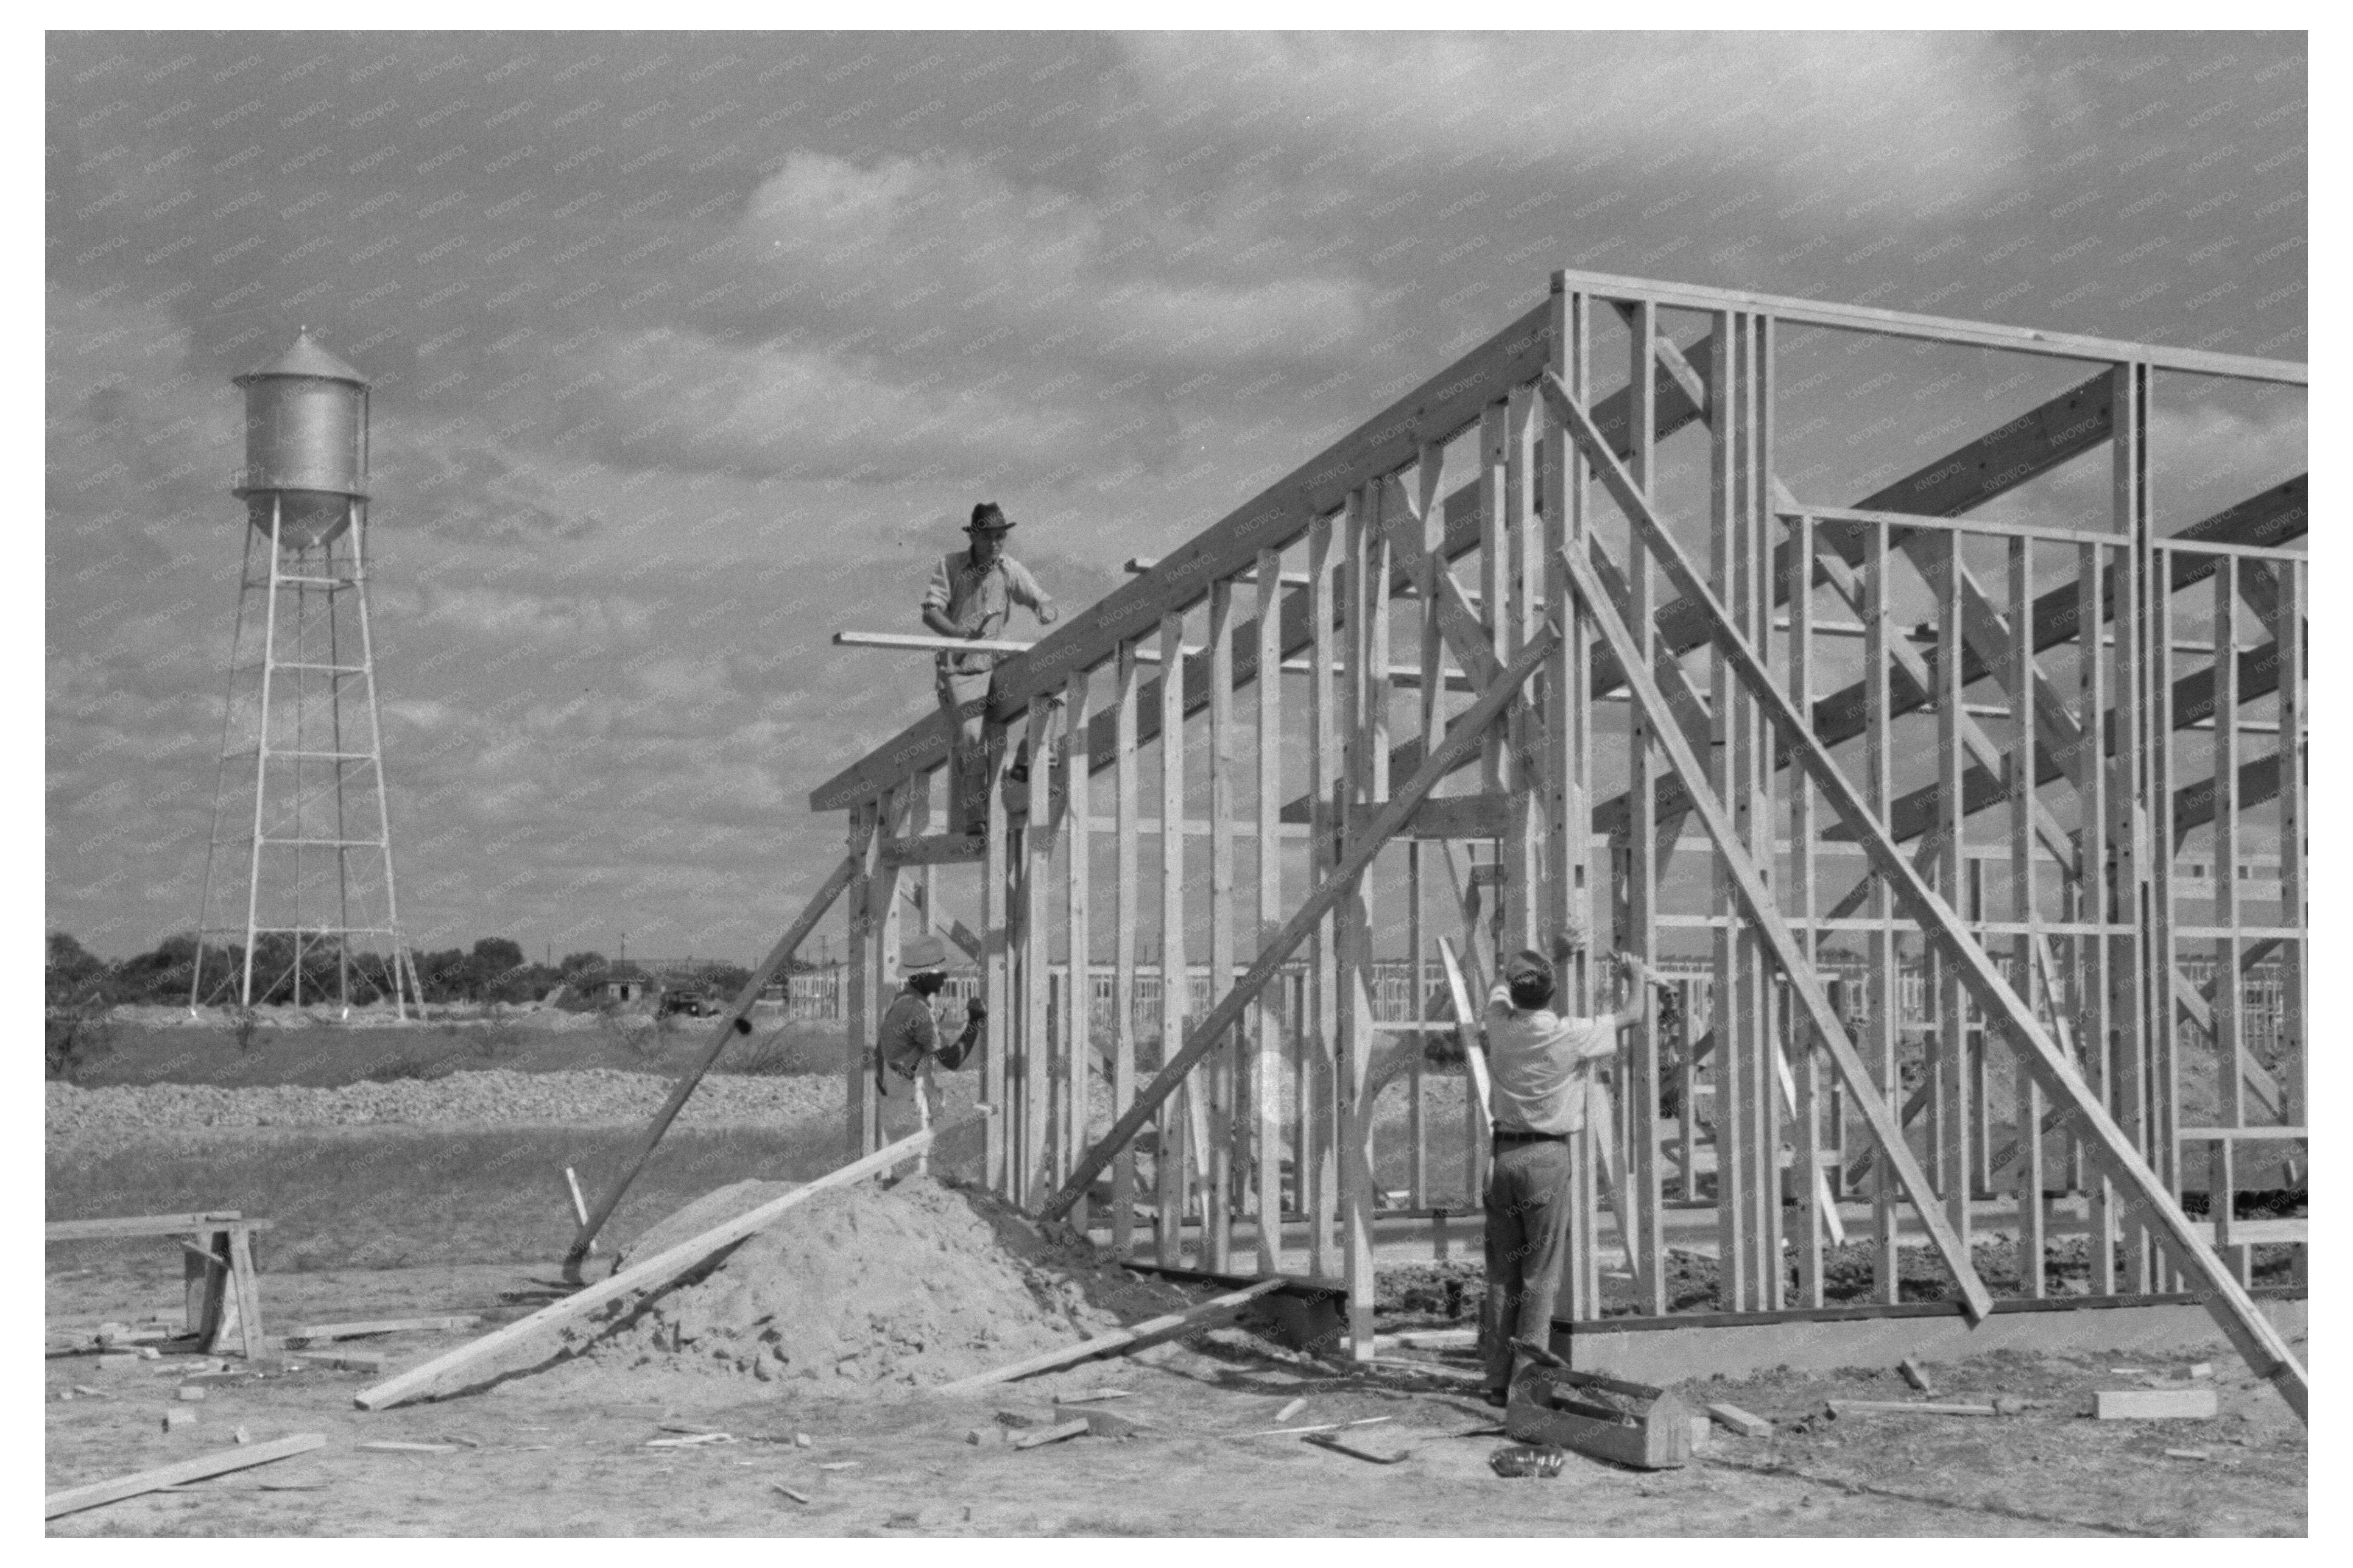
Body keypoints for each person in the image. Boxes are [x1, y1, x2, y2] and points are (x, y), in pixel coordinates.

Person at [1478, 926, 1665, 1407]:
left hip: (1501, 1155)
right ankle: (1526, 1383)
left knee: (1503, 1272)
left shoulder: (1499, 1023)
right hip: (1545, 1157)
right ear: (1553, 993)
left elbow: (1503, 981)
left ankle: (1496, 1380)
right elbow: (1633, 1014)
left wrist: (1549, 954)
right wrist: (1636, 975)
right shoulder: (1570, 1034)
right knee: (1540, 1274)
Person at [922, 502, 1057, 835]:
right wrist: (957, 633)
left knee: (1054, 683)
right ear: (975, 536)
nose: (995, 544)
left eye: (1001, 537)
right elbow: (930, 611)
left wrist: (1045, 609)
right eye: (989, 538)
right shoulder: (951, 565)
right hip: (962, 668)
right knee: (972, 739)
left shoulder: (1007, 568)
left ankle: (1028, 762)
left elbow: (1039, 596)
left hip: (996, 661)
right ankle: (976, 818)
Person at [873, 933, 985, 1174]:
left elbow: (880, 1050)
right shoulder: (918, 1011)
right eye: (939, 972)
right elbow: (953, 1061)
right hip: (909, 1105)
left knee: (904, 1176)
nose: (945, 976)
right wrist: (975, 1023)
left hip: (898, 1100)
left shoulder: (901, 1002)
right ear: (921, 976)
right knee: (911, 1180)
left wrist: (889, 1086)